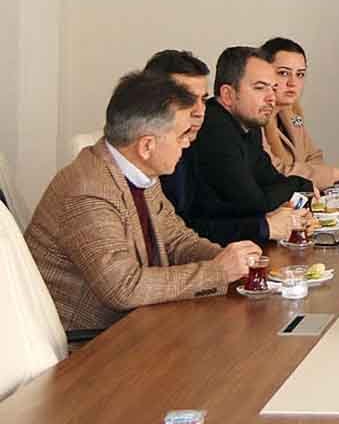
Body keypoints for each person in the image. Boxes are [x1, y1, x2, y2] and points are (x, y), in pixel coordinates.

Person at [24, 71, 260, 331]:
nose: (187, 144)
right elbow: (123, 288)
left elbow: (177, 240)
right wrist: (217, 272)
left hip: (139, 322)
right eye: (181, 135)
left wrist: (231, 261)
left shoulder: (139, 171)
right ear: (147, 145)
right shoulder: (88, 192)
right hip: (93, 341)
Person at [184, 46, 314, 245]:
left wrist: (295, 190)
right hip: (203, 247)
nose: (271, 98)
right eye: (260, 88)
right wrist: (299, 185)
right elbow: (255, 203)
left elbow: (270, 179)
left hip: (239, 241)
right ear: (228, 95)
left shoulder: (249, 124)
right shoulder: (213, 128)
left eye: (273, 88)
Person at [260, 37, 339, 190]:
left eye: (300, 74)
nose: (293, 83)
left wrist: (326, 177)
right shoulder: (253, 118)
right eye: (283, 73)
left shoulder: (292, 113)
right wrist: (338, 174)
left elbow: (313, 158)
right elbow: (275, 173)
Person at [146, 50, 211, 219]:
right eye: (187, 100)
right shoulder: (137, 157)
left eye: (203, 100)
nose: (200, 112)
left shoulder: (199, 141)